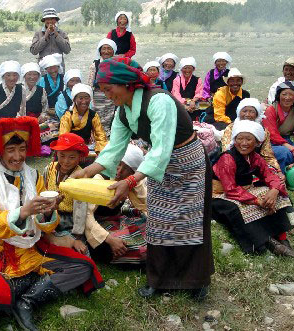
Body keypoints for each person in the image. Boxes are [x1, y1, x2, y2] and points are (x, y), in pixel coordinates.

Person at [72, 57, 214, 300]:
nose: (107, 96)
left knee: (189, 220)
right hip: (158, 167)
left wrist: (130, 181)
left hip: (188, 162)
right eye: (103, 92)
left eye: (109, 89)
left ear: (127, 84)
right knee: (159, 219)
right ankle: (159, 280)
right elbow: (113, 148)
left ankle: (197, 280)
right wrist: (87, 171)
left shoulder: (158, 101)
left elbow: (159, 149)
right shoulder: (124, 111)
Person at [0, 117, 103, 330]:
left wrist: (47, 213)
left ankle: (27, 300)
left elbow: (44, 226)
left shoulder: (33, 174)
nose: (18, 157)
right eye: (11, 150)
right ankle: (27, 285)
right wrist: (23, 211)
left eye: (22, 149)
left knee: (83, 267)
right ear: (0, 150)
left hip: (33, 244)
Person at [212, 120, 294, 257]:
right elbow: (231, 189)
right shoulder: (227, 159)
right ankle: (266, 242)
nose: (243, 143)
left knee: (275, 196)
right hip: (219, 194)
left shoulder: (255, 157)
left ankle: (281, 237)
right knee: (238, 208)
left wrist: (274, 190)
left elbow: (270, 175)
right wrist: (257, 201)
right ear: (235, 139)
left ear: (256, 142)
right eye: (240, 138)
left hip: (243, 189)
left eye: (248, 139)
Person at [221, 98, 294, 227]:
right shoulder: (231, 128)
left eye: (251, 111)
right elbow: (228, 151)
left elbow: (268, 154)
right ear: (239, 112)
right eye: (244, 111)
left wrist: (278, 171)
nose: (248, 114)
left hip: (257, 164)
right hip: (238, 166)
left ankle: (288, 210)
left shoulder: (263, 131)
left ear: (257, 113)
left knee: (277, 180)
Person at [85, 144, 148, 264]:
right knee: (119, 246)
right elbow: (86, 216)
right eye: (119, 164)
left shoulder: (131, 181)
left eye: (127, 169)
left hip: (116, 219)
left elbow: (144, 204)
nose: (119, 172)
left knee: (149, 228)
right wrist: (109, 239)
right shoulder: (99, 179)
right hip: (96, 225)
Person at [43, 133, 89, 254]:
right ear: (56, 153)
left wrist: (78, 237)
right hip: (49, 215)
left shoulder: (80, 176)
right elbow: (42, 190)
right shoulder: (49, 169)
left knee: (74, 250)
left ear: (80, 157)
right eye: (62, 155)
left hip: (70, 221)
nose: (66, 161)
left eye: (72, 157)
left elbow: (81, 209)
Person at [59, 83, 107, 154]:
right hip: (71, 147)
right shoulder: (68, 115)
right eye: (80, 98)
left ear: (90, 99)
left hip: (87, 146)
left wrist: (100, 152)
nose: (84, 101)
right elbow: (64, 136)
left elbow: (100, 135)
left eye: (86, 98)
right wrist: (77, 151)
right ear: (74, 99)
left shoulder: (93, 115)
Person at [267, 56, 294, 127]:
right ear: (283, 71)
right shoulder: (276, 85)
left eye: (291, 70)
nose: (288, 72)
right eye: (286, 70)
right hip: (277, 113)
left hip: (292, 114)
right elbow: (272, 103)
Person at [88, 38, 118, 136]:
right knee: (97, 117)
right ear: (100, 51)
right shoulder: (95, 65)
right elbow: (90, 84)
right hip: (98, 97)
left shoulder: (117, 64)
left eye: (109, 49)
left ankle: (108, 137)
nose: (106, 51)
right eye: (103, 48)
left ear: (113, 51)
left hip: (112, 96)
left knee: (111, 117)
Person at [30, 8, 71, 73]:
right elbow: (33, 51)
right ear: (44, 20)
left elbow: (67, 50)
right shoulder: (38, 33)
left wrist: (57, 35)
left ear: (56, 20)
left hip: (58, 69)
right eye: (47, 19)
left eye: (52, 18)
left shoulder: (62, 33)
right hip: (43, 70)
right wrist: (45, 37)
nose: (50, 21)